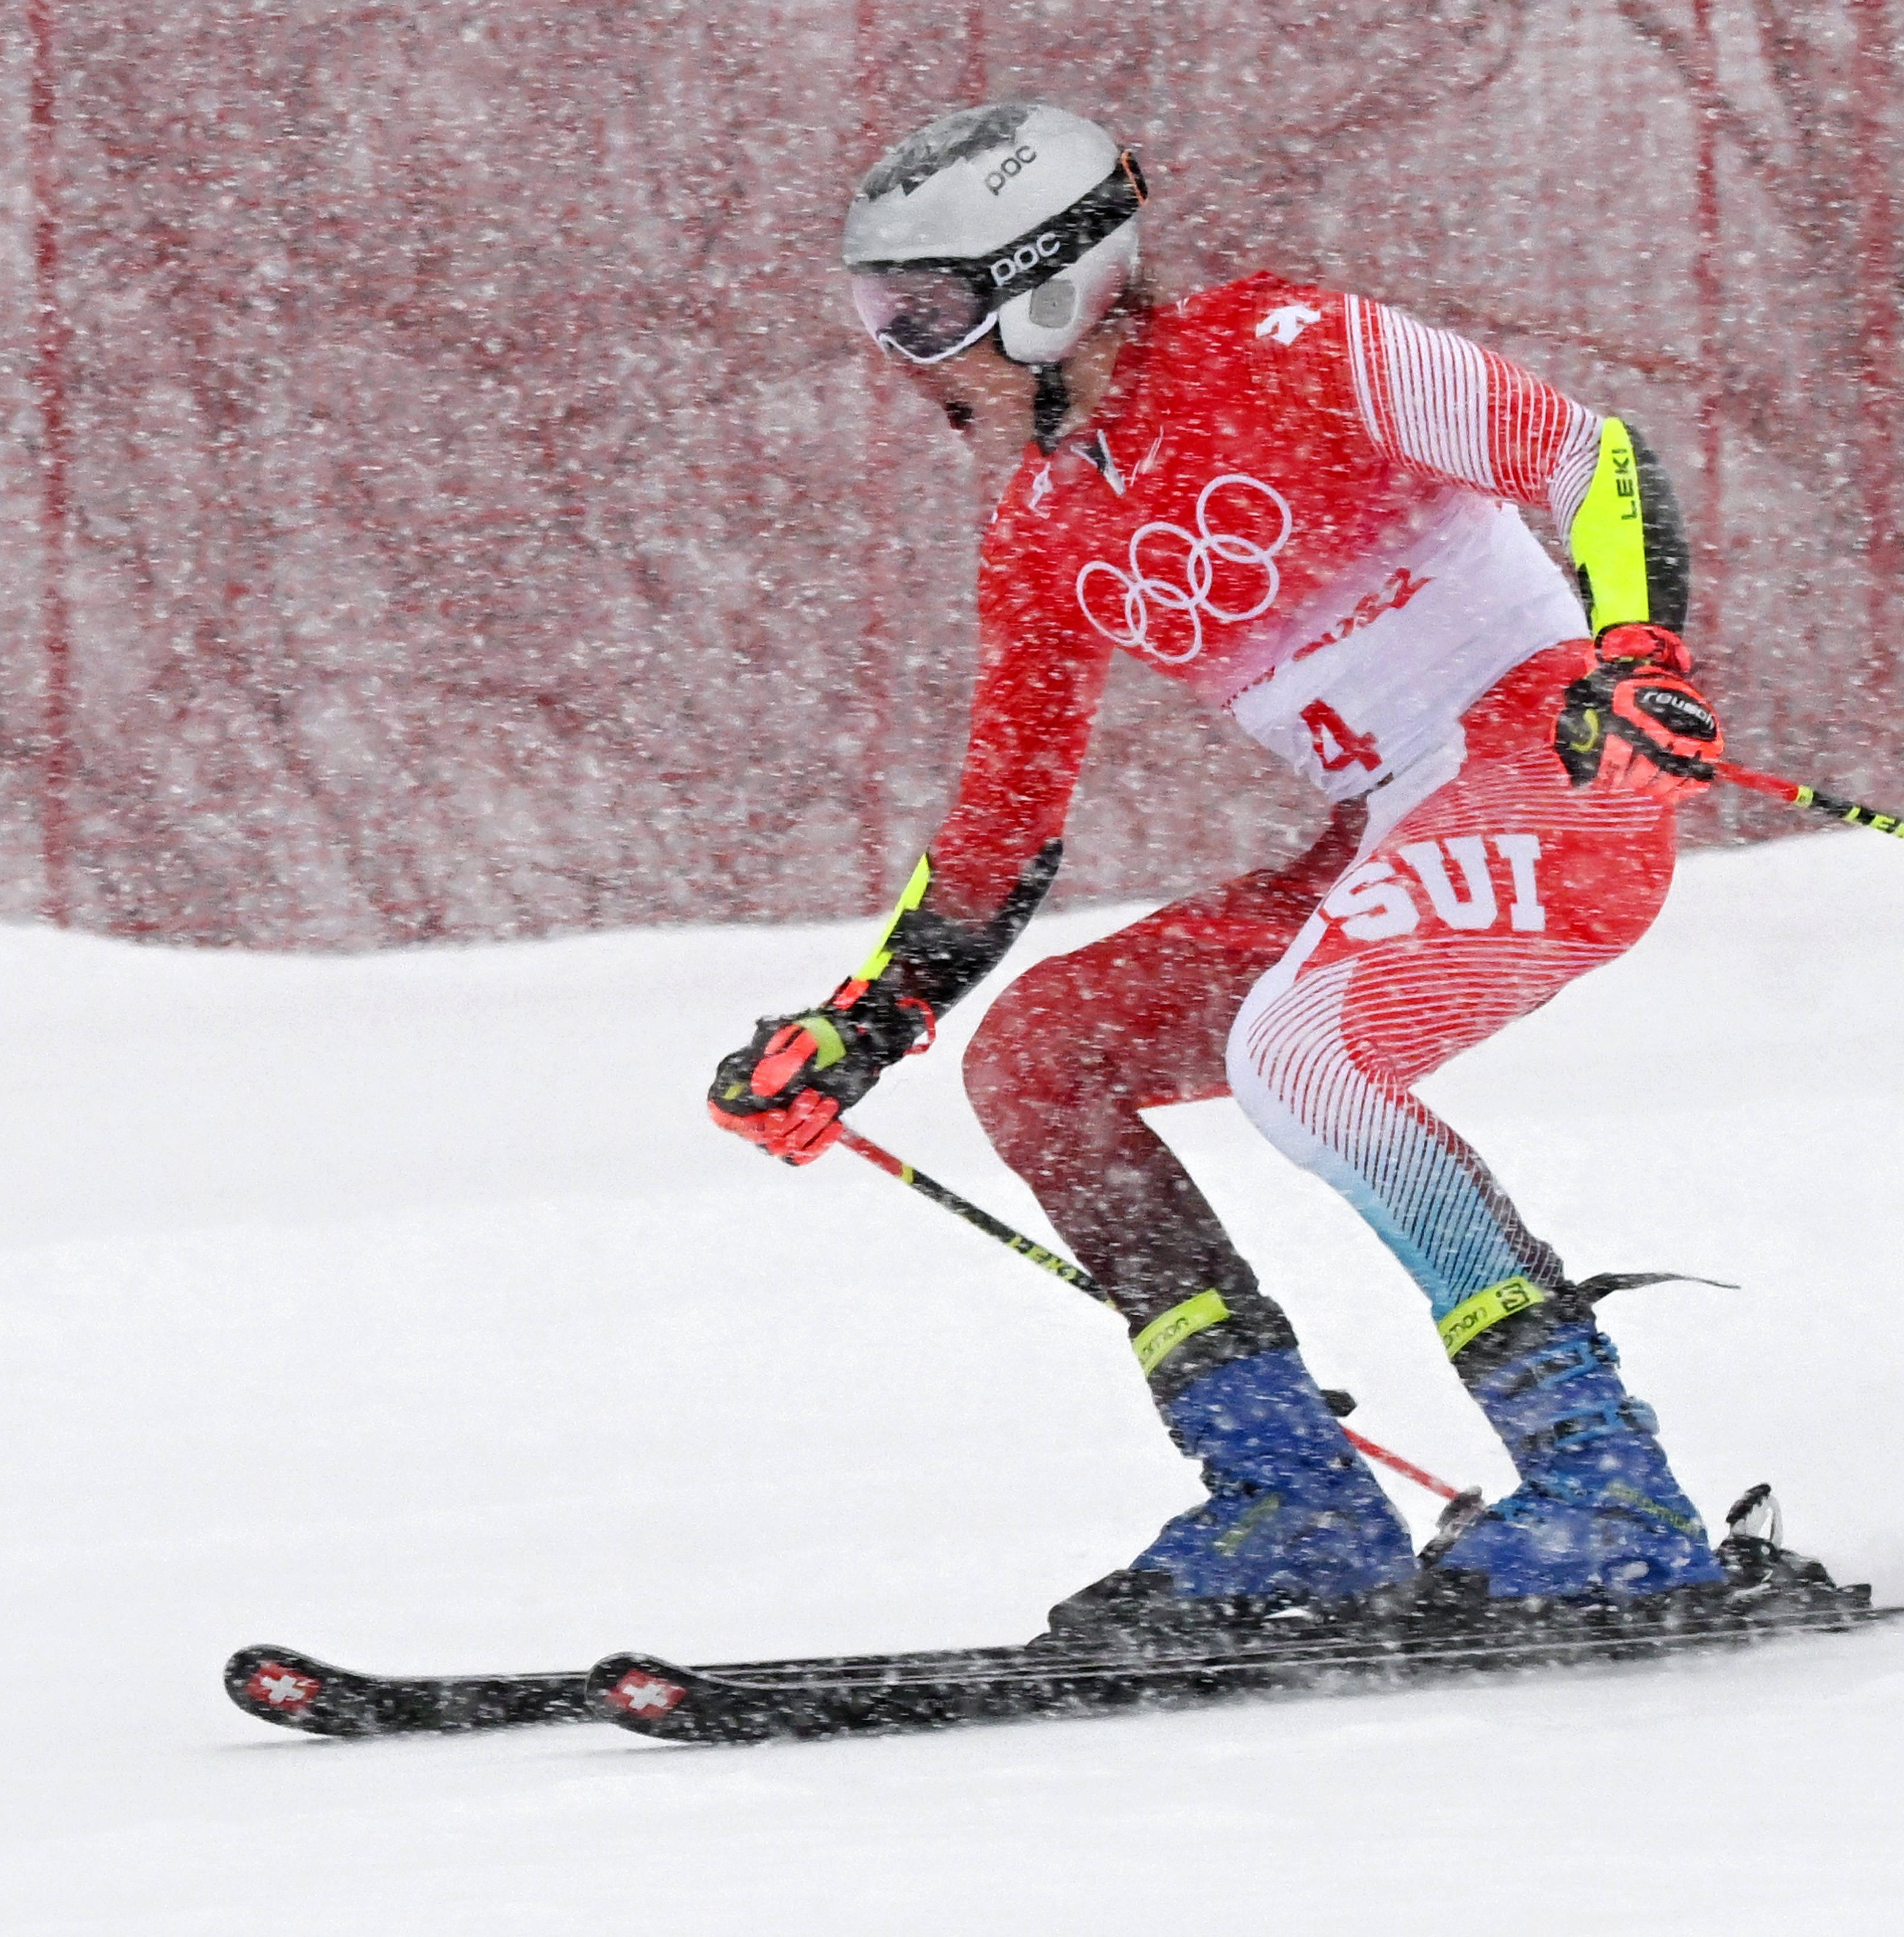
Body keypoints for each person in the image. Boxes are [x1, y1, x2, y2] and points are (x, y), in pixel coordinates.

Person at [710, 101, 1734, 1633]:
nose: (906, 353)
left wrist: (1638, 651)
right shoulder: (1044, 528)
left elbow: (1587, 457)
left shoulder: (1286, 349)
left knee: (1299, 1054)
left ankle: (1607, 1490)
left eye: (925, 311)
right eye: (880, 315)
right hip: (1388, 834)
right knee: (1041, 1061)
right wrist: (863, 1022)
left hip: (1553, 782)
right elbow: (1002, 832)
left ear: (1048, 285)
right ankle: (1290, 1499)